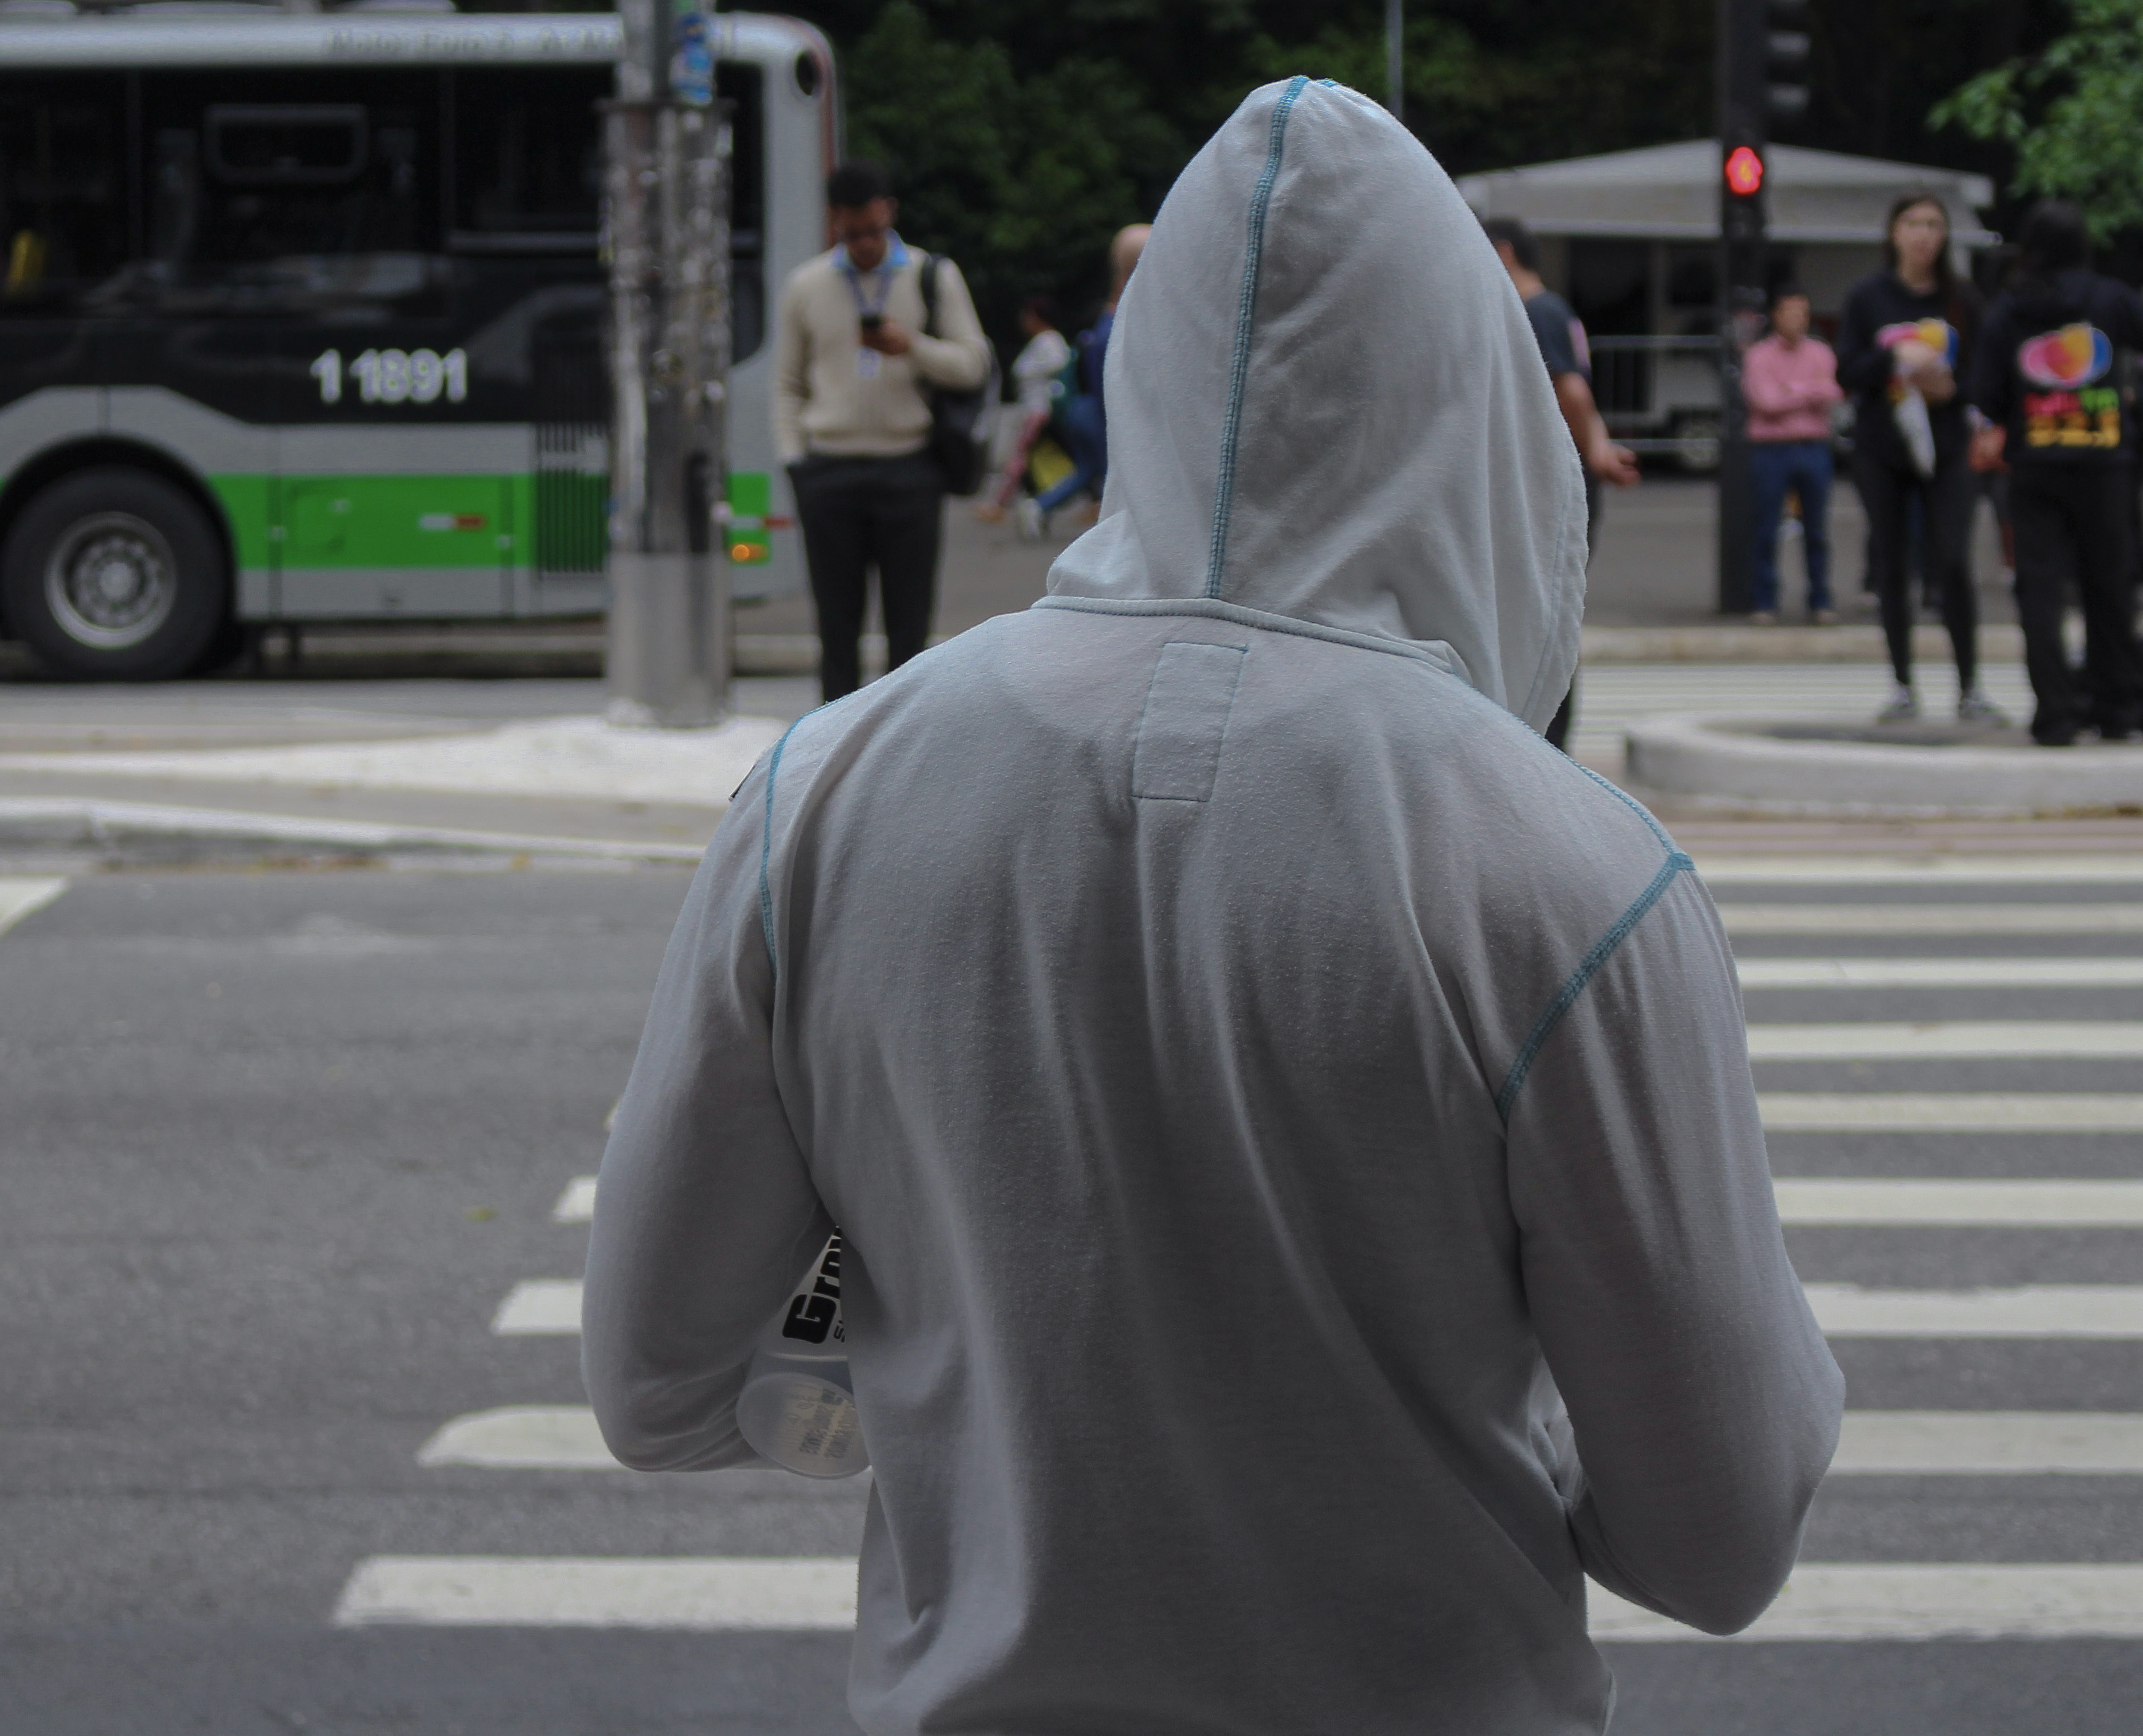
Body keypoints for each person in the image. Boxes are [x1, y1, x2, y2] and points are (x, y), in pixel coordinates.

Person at [587, 79, 1839, 1734]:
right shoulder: (1566, 873)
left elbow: (657, 1386)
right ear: (1476, 414)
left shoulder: (820, 797)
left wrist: (947, 1351)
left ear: (1141, 377)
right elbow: (1715, 1538)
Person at [774, 160, 994, 703]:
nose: (866, 244)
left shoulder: (930, 275)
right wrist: (795, 461)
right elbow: (785, 382)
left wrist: (912, 347)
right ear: (834, 224)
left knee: (909, 630)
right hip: (828, 470)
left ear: (889, 213)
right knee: (836, 628)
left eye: (874, 231)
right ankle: (830, 750)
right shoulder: (806, 285)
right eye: (852, 234)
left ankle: (901, 752)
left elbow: (974, 364)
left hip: (908, 467)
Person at [1969, 199, 2143, 746]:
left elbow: (1984, 394)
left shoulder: (2008, 309)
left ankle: (2055, 713)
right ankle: (2116, 706)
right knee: (2108, 587)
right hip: (2105, 465)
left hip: (2034, 469)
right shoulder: (2112, 301)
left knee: (2039, 593)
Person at [1838, 191, 2003, 724]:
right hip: (1883, 446)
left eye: (1933, 224)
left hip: (1950, 444)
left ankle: (1969, 687)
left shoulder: (1964, 300)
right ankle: (1903, 686)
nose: (1923, 234)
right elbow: (1845, 373)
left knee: (1953, 560)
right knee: (1891, 564)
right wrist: (1892, 356)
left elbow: (1986, 376)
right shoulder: (1869, 297)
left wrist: (1950, 390)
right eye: (1912, 223)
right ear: (1894, 233)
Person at [1483, 217, 1639, 751]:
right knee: (1547, 617)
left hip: (1552, 487)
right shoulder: (1556, 308)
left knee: (1542, 621)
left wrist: (1594, 448)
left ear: (1503, 253)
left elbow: (1569, 387)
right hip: (1565, 483)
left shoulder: (1536, 311)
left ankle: (1549, 744)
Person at [1019, 223, 1149, 540]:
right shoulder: (1118, 327)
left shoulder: (1107, 321)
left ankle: (1040, 507)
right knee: (1109, 476)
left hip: (1084, 411)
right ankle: (1043, 508)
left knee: (1089, 472)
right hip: (1096, 415)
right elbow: (1111, 390)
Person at [1742, 286, 1844, 623]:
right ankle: (1765, 601)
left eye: (1803, 313)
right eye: (1790, 312)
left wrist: (1791, 390)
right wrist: (1808, 391)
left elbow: (1831, 392)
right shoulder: (1758, 356)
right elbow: (1765, 403)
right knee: (1766, 527)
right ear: (1776, 316)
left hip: (1814, 448)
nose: (1797, 320)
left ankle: (1821, 600)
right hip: (1772, 449)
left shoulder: (1821, 352)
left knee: (1817, 530)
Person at [975, 295, 1069, 524]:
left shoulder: (1050, 341)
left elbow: (1060, 366)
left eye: (1027, 316)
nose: (1023, 321)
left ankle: (1000, 504)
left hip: (1039, 410)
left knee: (1020, 457)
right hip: (1032, 409)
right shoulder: (1040, 342)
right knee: (1030, 459)